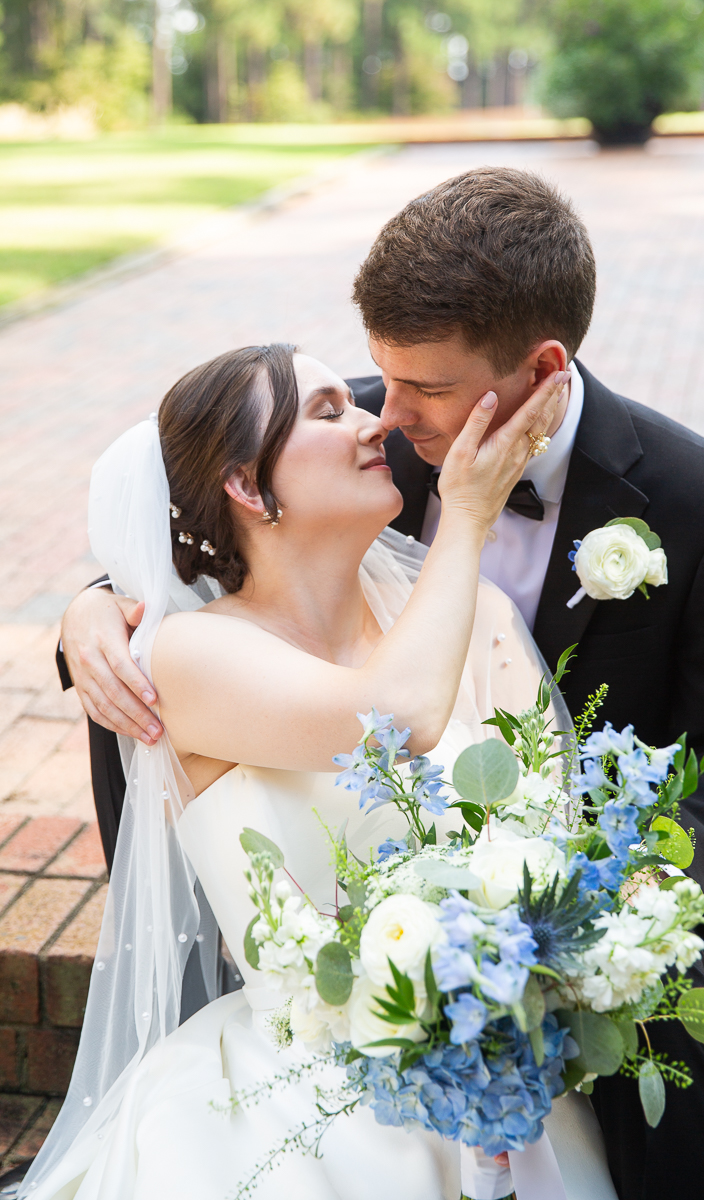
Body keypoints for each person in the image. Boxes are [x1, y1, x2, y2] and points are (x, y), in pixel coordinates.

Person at [58, 169, 704, 1200]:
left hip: (598, 889)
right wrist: (95, 601)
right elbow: (192, 546)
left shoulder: (697, 503)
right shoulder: (365, 448)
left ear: (539, 367)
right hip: (331, 981)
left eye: (424, 389)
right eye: (373, 382)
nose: (388, 418)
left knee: (669, 1095)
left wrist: (641, 881)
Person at [23, 346, 614, 1200]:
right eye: (331, 410)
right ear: (246, 486)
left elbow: (561, 842)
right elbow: (394, 721)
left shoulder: (472, 615)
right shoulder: (190, 655)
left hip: (508, 1063)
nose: (378, 422)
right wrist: (471, 514)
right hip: (296, 1108)